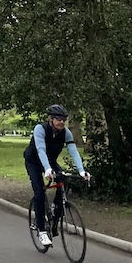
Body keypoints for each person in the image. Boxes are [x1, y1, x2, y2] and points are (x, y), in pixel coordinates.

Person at [24, 104, 91, 248]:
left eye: (64, 120)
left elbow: (73, 151)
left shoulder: (66, 133)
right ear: (51, 119)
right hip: (34, 162)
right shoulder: (40, 129)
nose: (62, 122)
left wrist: (81, 171)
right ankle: (41, 230)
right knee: (39, 193)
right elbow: (41, 149)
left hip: (51, 161)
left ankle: (55, 208)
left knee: (64, 181)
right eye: (59, 119)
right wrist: (47, 169)